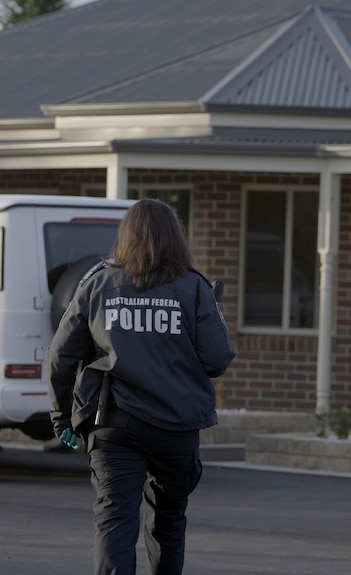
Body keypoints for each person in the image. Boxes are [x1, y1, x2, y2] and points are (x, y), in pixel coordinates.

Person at [48, 198, 236, 575]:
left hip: (114, 425)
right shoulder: (195, 288)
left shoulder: (97, 283)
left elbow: (61, 355)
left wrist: (61, 417)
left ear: (127, 235)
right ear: (175, 238)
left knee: (115, 519)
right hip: (176, 427)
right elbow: (218, 360)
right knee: (168, 522)